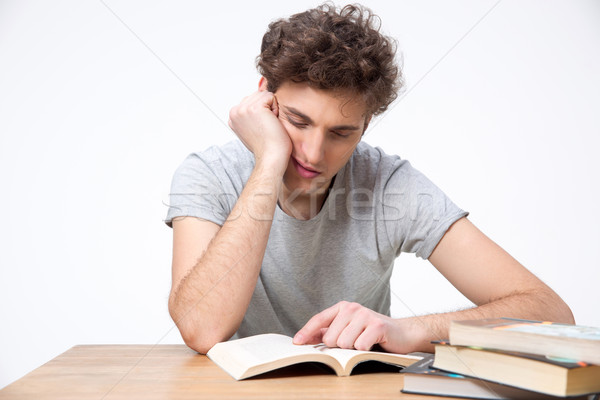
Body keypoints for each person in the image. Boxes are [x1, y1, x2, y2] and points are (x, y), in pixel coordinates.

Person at [164, 3, 573, 355]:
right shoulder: (208, 174)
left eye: (341, 133)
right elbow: (201, 328)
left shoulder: (389, 184)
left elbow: (550, 314)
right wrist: (270, 159)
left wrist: (412, 331)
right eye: (297, 121)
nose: (312, 153)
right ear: (264, 98)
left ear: (367, 123)